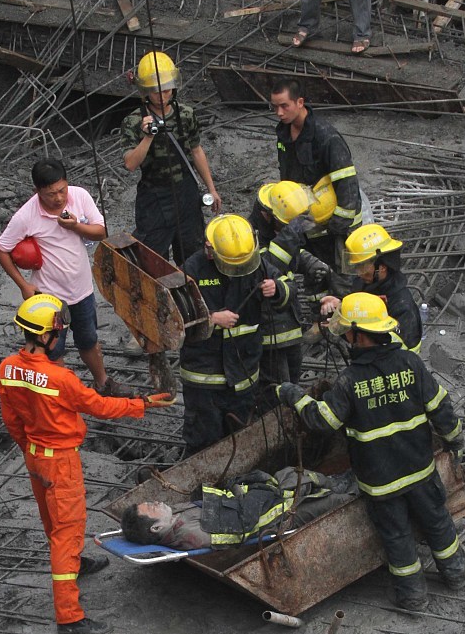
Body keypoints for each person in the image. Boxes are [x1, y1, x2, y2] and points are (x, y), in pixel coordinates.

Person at [277, 292, 465, 612]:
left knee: (397, 537)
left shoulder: (350, 381)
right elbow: (441, 407)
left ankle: (413, 595)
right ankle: (456, 572)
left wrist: (294, 395)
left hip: (381, 482)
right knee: (437, 521)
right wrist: (454, 440)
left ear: (357, 334)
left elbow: (322, 420)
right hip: (420, 469)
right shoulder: (410, 362)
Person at [0, 293, 173, 634]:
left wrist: (29, 451)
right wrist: (143, 403)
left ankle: (75, 565)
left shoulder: (8, 368)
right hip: (61, 463)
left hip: (34, 456)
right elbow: (100, 406)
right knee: (67, 534)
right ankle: (70, 616)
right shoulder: (61, 380)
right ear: (50, 335)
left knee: (53, 523)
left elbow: (12, 419)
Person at [0, 158, 129, 398]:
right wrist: (24, 285)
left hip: (82, 289)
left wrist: (75, 227)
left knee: (89, 340)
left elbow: (102, 232)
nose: (58, 198)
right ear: (38, 191)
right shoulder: (26, 215)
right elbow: (2, 249)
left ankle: (102, 383)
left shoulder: (79, 196)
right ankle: (60, 395)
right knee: (53, 349)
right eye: (51, 194)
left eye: (61, 190)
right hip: (50, 298)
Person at [180, 214, 289, 456]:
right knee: (204, 442)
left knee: (241, 439)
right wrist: (211, 319)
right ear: (210, 250)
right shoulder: (193, 269)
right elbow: (173, 317)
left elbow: (287, 290)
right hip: (205, 377)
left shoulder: (253, 262)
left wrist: (277, 289)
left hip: (244, 372)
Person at [121, 50, 221, 264]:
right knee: (154, 259)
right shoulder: (134, 121)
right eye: (156, 91)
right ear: (145, 90)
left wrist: (211, 188)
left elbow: (196, 150)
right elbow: (129, 163)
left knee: (193, 254)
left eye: (167, 89)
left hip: (186, 191)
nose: (163, 94)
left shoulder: (185, 114)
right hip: (154, 196)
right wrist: (147, 137)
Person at [121, 466, 353, 550]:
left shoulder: (175, 514)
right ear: (156, 527)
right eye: (151, 507)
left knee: (291, 474)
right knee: (334, 503)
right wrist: (253, 497)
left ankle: (336, 481)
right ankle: (351, 490)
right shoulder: (192, 535)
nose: (157, 502)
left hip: (263, 504)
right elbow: (241, 528)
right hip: (278, 519)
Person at [252, 181, 332, 403]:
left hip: (290, 325)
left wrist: (310, 263)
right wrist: (288, 236)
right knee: (277, 390)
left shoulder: (278, 231)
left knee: (292, 383)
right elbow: (268, 265)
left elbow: (292, 254)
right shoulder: (249, 239)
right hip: (270, 332)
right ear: (266, 215)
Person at [270, 78, 362, 270]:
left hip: (336, 224)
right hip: (309, 222)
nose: (279, 113)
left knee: (344, 275)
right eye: (275, 107)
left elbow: (347, 183)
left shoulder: (326, 137)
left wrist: (338, 224)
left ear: (300, 102)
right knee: (317, 276)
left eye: (284, 106)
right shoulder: (284, 135)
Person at [321, 222, 423, 352]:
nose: (358, 272)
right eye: (357, 267)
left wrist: (345, 329)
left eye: (362, 267)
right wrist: (341, 306)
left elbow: (379, 345)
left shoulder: (402, 307)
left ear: (382, 267)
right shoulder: (364, 283)